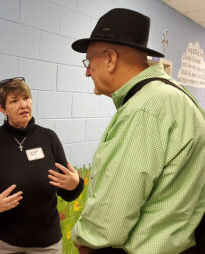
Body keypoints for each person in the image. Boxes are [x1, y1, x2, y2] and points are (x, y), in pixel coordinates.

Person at [66, 8, 205, 254]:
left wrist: (85, 239)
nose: (87, 71)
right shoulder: (176, 95)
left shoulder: (145, 108)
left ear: (110, 59)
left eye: (89, 61)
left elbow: (113, 214)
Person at [0, 77, 84, 254]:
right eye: (14, 101)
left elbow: (66, 192)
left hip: (45, 243)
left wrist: (76, 184)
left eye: (26, 98)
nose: (23, 105)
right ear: (2, 109)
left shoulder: (49, 138)